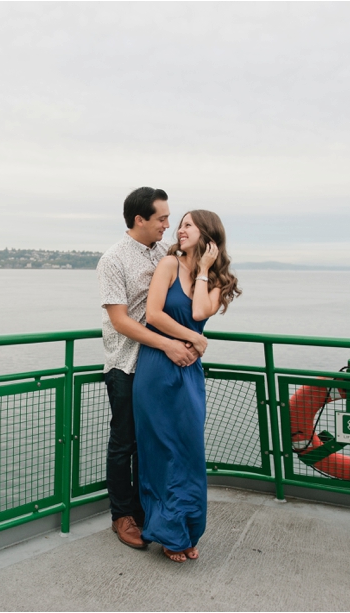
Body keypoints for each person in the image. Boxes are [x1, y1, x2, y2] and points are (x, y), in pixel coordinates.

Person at [132, 210, 242, 563]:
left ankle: (186, 529)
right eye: (179, 224)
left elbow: (197, 313)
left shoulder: (216, 279)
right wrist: (193, 340)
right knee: (162, 450)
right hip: (158, 366)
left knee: (189, 451)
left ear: (208, 235)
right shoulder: (167, 265)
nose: (179, 230)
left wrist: (205, 271)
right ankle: (167, 532)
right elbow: (154, 315)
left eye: (188, 225)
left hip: (189, 370)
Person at [97, 187, 201, 550]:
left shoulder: (165, 253)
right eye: (161, 219)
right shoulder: (113, 260)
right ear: (140, 219)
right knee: (125, 442)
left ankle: (149, 510)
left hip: (160, 368)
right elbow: (120, 321)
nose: (168, 225)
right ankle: (122, 516)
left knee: (155, 444)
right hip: (127, 364)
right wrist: (170, 344)